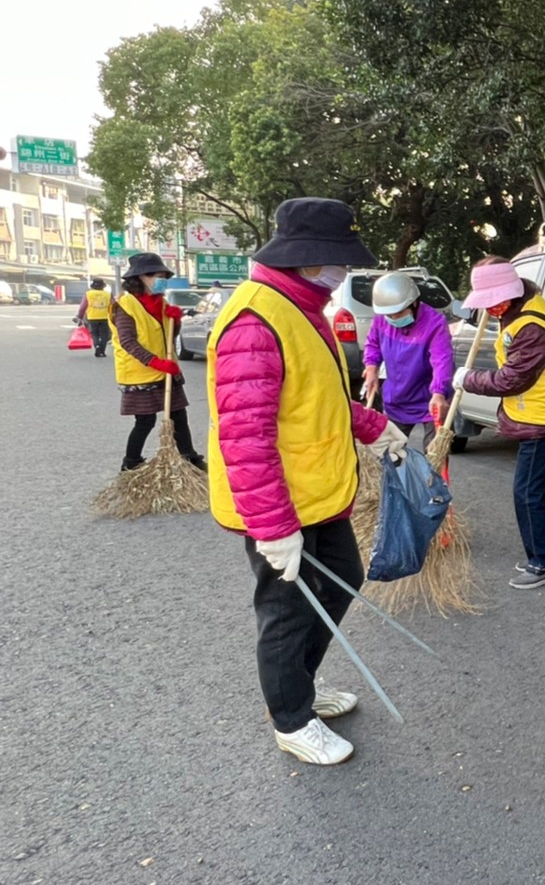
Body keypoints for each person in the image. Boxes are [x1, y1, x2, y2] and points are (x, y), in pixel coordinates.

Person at [207, 198, 409, 766]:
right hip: (278, 503)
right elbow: (245, 437)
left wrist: (373, 425)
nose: (343, 272)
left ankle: (301, 681)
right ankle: (291, 718)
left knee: (343, 575)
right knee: (287, 609)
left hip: (318, 491)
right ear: (306, 257)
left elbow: (314, 395)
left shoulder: (303, 304)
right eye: (336, 260)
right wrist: (273, 529)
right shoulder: (256, 319)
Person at [453, 258, 545, 589]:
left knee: (527, 492)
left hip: (543, 416)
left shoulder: (531, 326)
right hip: (537, 412)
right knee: (536, 489)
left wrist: (469, 378)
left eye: (495, 302)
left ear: (512, 291)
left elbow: (511, 379)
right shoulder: (515, 311)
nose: (491, 309)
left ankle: (544, 563)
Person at [109, 253, 205, 472]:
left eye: (162, 275)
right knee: (145, 420)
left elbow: (169, 336)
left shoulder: (160, 302)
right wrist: (155, 362)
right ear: (139, 278)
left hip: (167, 370)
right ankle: (131, 462)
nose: (159, 279)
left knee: (179, 415)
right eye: (154, 275)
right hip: (140, 373)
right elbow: (127, 342)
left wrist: (176, 320)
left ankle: (189, 458)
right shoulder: (125, 305)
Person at [360, 271, 454, 449]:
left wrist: (439, 392)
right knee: (391, 455)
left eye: (398, 313)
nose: (393, 318)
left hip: (430, 399)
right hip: (397, 397)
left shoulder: (434, 323)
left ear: (414, 303)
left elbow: (442, 360)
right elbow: (373, 343)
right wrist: (371, 366)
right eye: (390, 315)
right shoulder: (382, 317)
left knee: (434, 458)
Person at [76, 278, 112, 357]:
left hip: (92, 317)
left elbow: (83, 307)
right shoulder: (108, 294)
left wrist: (80, 317)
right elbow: (114, 306)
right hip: (105, 317)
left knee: (94, 334)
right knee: (104, 334)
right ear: (103, 286)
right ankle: (102, 350)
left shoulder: (88, 294)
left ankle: (97, 347)